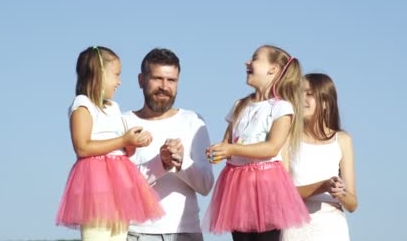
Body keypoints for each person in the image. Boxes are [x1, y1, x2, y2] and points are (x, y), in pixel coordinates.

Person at [55, 46, 164, 241]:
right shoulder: (83, 104)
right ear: (99, 74)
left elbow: (121, 149)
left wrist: (132, 142)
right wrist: (123, 140)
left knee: (119, 236)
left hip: (120, 185)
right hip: (96, 185)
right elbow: (82, 147)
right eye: (116, 74)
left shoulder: (114, 107)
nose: (119, 81)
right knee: (98, 235)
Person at [204, 45, 311, 241]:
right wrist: (218, 152)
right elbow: (228, 142)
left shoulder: (281, 107)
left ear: (273, 69)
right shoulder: (240, 105)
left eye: (255, 58)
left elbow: (272, 147)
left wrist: (232, 148)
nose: (247, 62)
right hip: (237, 187)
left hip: (266, 187)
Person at [123, 48, 215, 241]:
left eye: (171, 80)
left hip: (186, 232)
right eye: (157, 78)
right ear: (141, 80)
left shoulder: (193, 120)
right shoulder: (123, 122)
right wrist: (161, 164)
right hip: (136, 233)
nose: (164, 86)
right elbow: (121, 187)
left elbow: (206, 185)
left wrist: (181, 163)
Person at [280, 73, 358, 241]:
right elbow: (283, 193)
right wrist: (323, 185)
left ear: (325, 102)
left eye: (309, 93)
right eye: (299, 92)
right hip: (295, 227)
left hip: (332, 227)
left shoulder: (342, 139)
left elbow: (352, 204)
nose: (301, 98)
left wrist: (339, 192)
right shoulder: (287, 137)